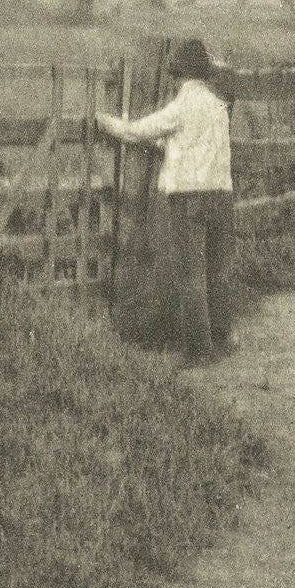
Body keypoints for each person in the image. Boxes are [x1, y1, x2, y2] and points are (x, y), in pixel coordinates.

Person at [96, 38, 234, 364]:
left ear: (179, 76)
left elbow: (137, 132)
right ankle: (223, 339)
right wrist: (168, 147)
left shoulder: (179, 108)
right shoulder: (218, 107)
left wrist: (107, 123)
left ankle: (199, 352)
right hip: (221, 195)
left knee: (191, 274)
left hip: (189, 197)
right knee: (217, 271)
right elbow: (196, 145)